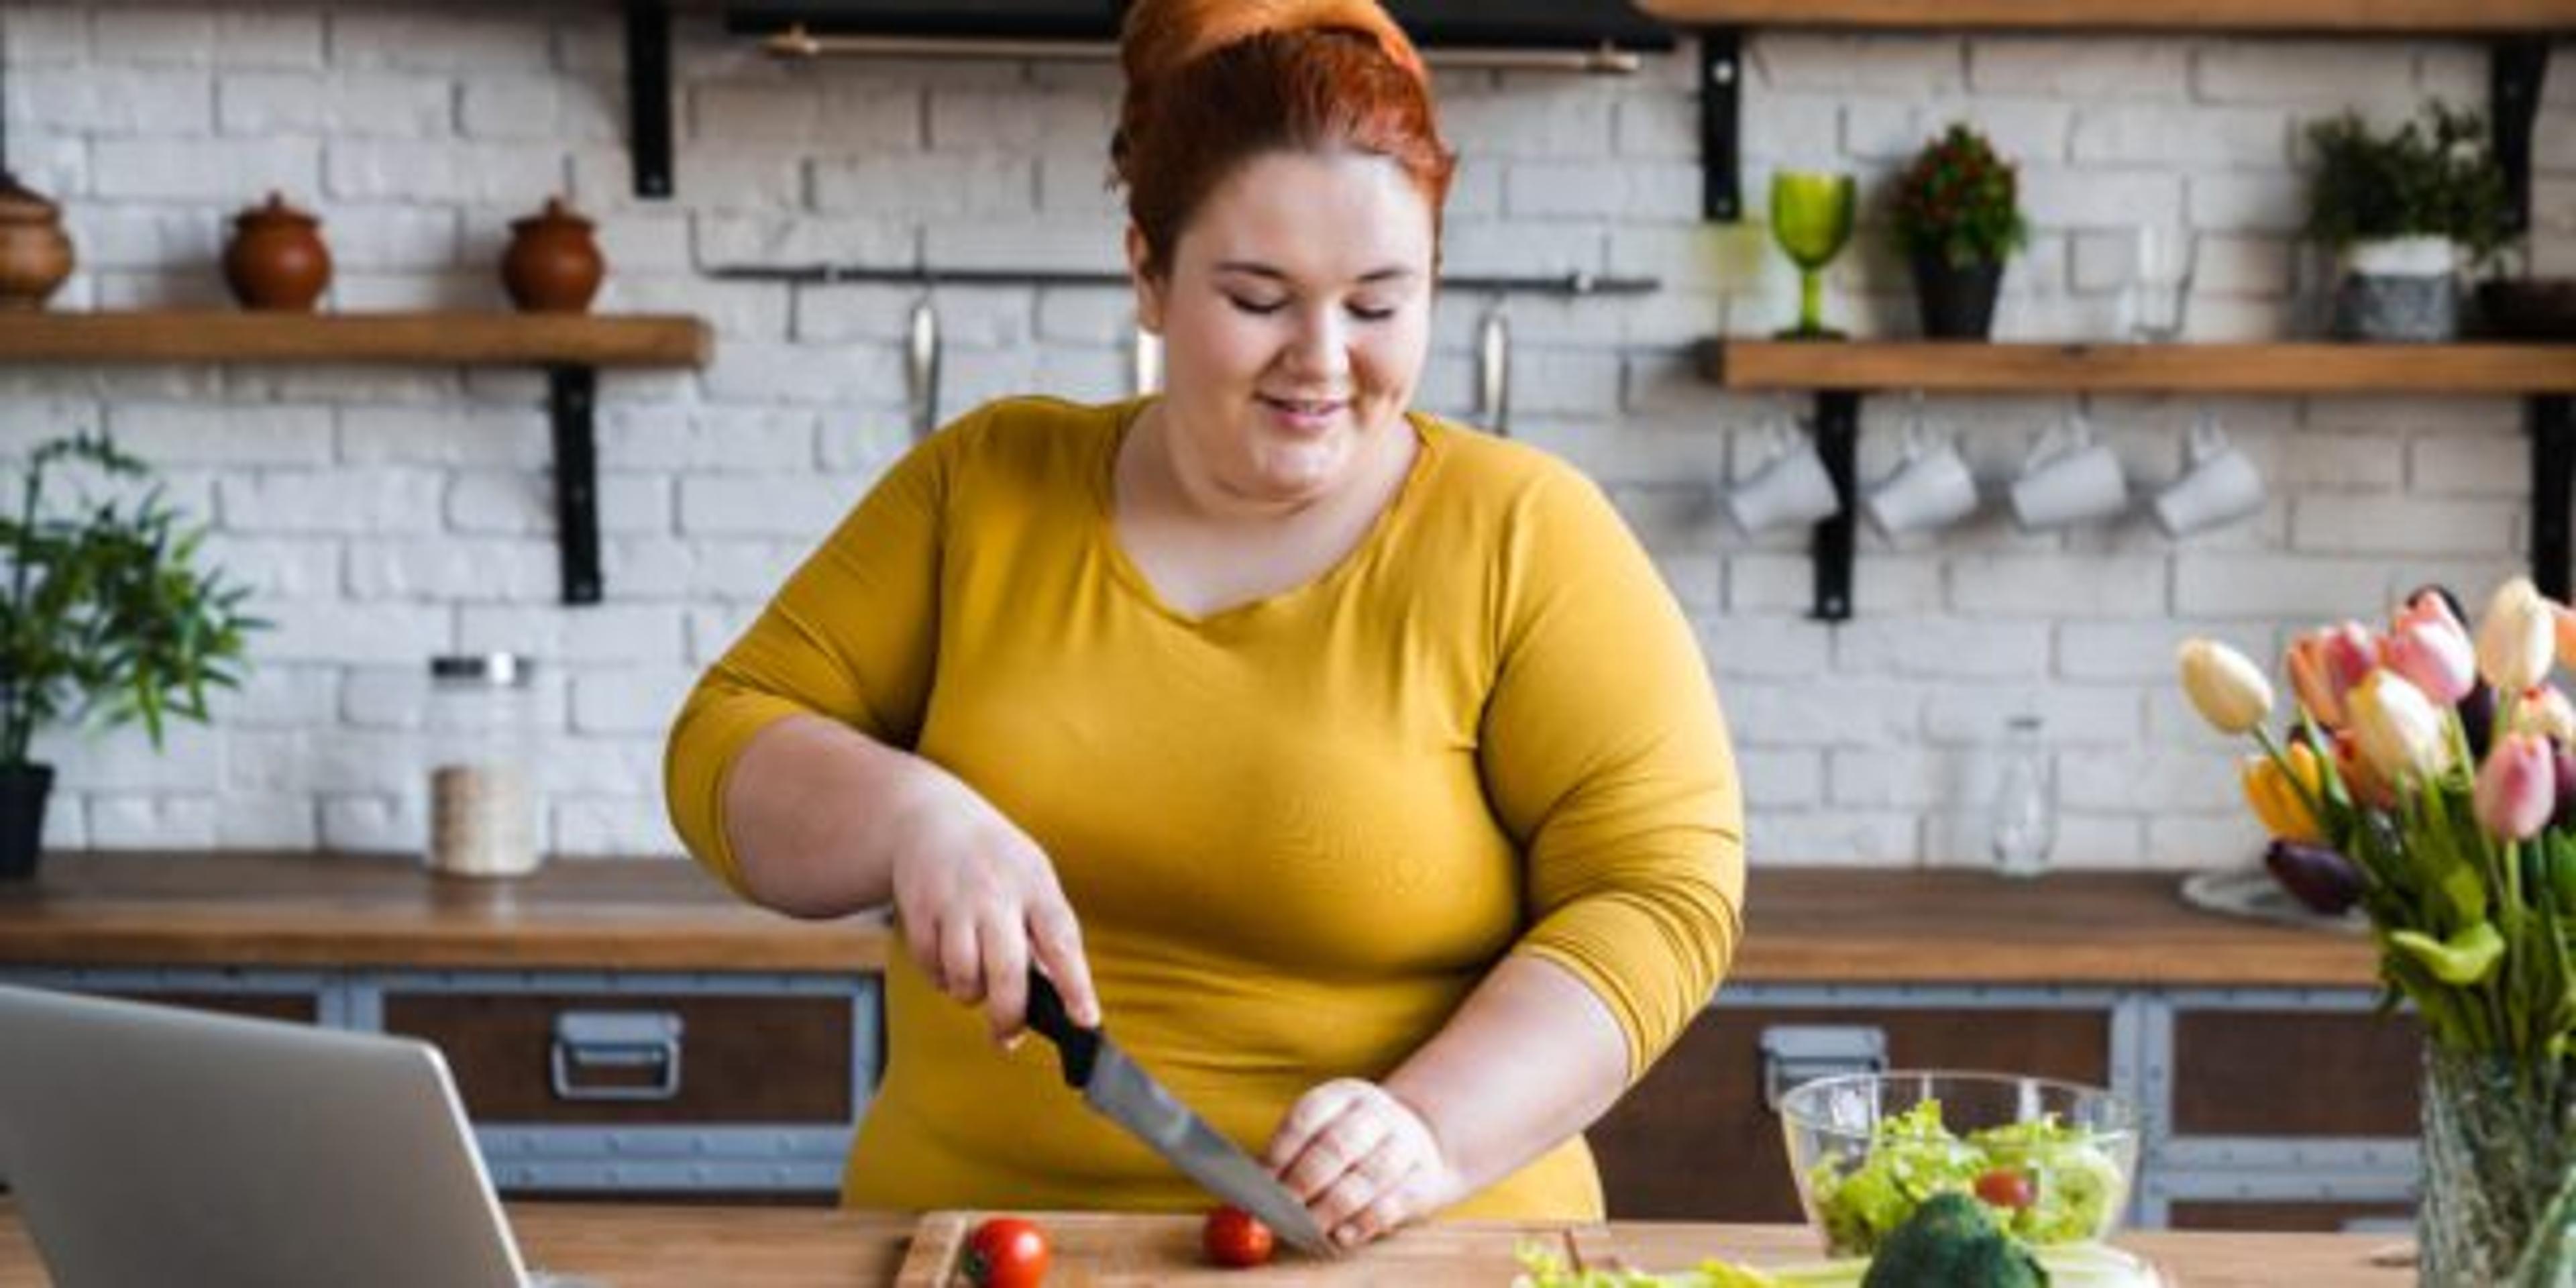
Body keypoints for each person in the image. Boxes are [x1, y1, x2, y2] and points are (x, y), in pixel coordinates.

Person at [663, 0, 1744, 1248]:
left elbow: (1662, 894)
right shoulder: (983, 488)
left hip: (1413, 1256)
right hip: (969, 1251)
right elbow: (721, 746)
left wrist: (1432, 1130)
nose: (1323, 358)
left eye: (1380, 304)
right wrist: (910, 815)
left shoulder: (1524, 536)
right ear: (1147, 274)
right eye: (1259, 297)